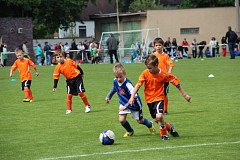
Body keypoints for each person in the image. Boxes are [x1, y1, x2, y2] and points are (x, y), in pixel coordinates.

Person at [129, 54, 191, 140]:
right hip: (149, 99)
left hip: (159, 98)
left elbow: (175, 82)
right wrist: (132, 97)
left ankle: (163, 134)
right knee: (156, 120)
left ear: (156, 65)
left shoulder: (163, 74)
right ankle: (169, 128)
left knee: (159, 116)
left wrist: (185, 95)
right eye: (147, 67)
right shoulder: (145, 73)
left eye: (150, 68)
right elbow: (137, 85)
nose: (148, 70)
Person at [105, 63, 156, 137]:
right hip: (123, 103)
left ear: (124, 74)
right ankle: (130, 131)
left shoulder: (128, 84)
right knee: (121, 120)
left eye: (120, 77)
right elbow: (114, 88)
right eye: (116, 77)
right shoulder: (115, 81)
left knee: (140, 121)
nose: (118, 79)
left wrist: (126, 106)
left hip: (134, 104)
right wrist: (108, 96)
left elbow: (134, 97)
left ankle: (150, 124)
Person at [152, 38, 174, 114]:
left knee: (164, 94)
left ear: (163, 46)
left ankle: (165, 109)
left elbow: (171, 65)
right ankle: (157, 108)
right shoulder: (153, 56)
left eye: (160, 45)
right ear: (154, 46)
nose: (158, 47)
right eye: (156, 45)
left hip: (164, 79)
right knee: (156, 94)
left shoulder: (165, 56)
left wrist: (168, 73)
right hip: (155, 78)